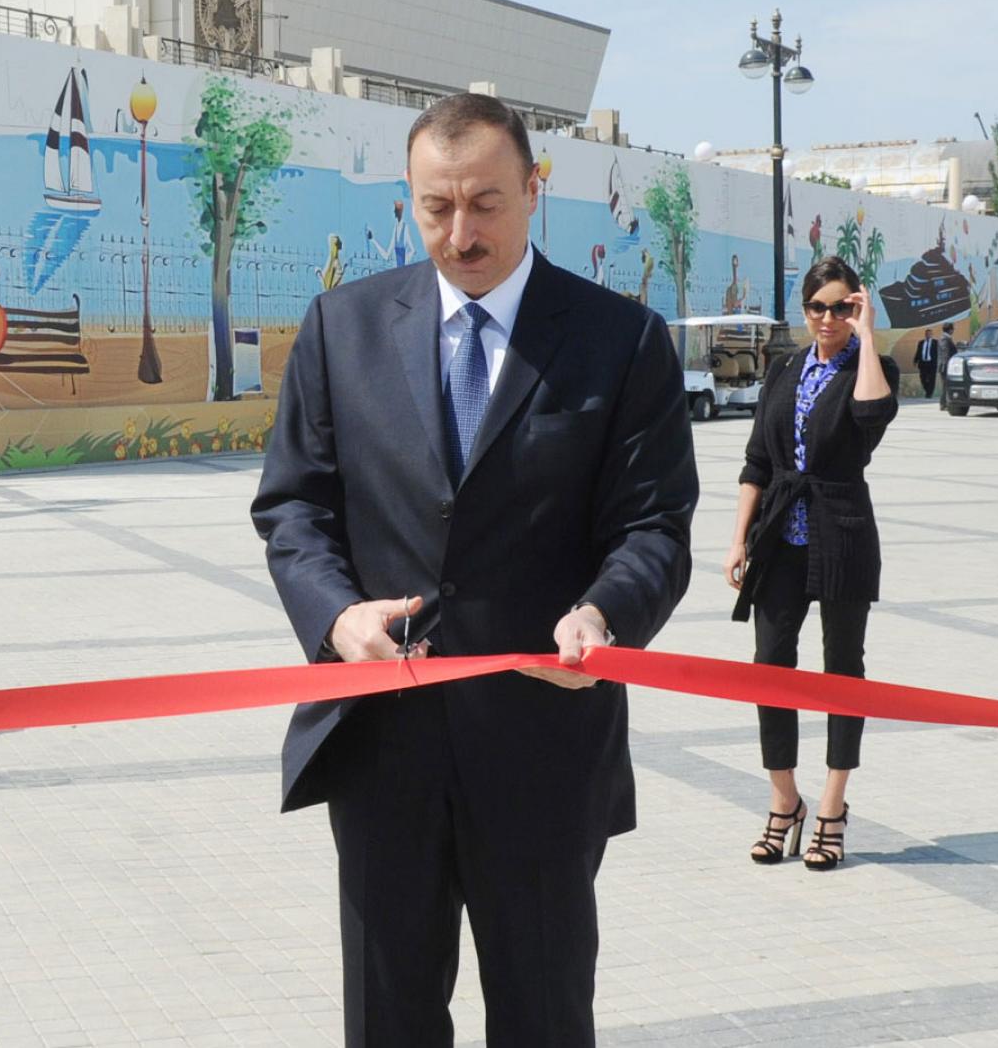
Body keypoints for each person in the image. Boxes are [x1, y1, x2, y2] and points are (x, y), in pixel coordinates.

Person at [253, 93, 697, 1047]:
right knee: (388, 1024)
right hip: (381, 747)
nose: (461, 234)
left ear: (537, 190)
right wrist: (337, 620)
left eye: (487, 203)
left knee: (542, 1019)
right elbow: (293, 507)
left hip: (542, 750)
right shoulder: (342, 330)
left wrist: (603, 614)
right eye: (436, 207)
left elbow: (655, 525)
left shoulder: (620, 342)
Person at [724, 257, 898, 871]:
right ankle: (783, 800)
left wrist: (870, 336)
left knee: (842, 671)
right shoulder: (784, 369)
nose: (828, 319)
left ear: (856, 308)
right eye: (818, 308)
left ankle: (831, 808)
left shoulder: (870, 366)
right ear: (803, 313)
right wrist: (739, 538)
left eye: (842, 307)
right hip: (780, 536)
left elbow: (873, 419)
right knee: (770, 667)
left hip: (842, 531)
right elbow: (756, 462)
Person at [914, 328, 940, 397]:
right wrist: (915, 360)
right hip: (923, 363)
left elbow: (939, 353)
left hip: (932, 363)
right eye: (927, 334)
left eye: (929, 334)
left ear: (932, 335)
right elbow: (918, 352)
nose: (928, 335)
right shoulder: (921, 342)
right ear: (925, 335)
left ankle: (929, 393)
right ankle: (927, 389)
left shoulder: (936, 342)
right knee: (923, 378)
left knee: (932, 378)